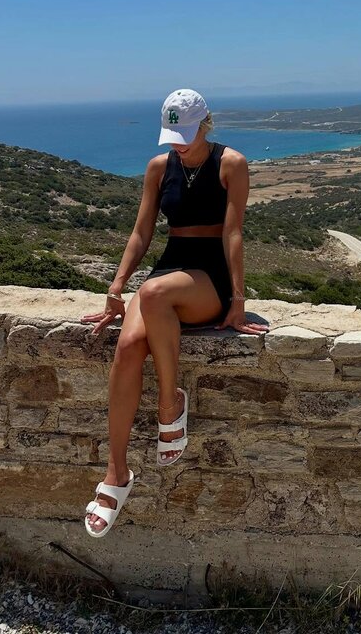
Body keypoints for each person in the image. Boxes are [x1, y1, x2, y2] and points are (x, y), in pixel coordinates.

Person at [81, 88, 269, 536]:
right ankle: (116, 473)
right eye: (173, 137)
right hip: (167, 274)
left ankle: (170, 405)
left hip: (210, 277)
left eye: (186, 134)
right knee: (128, 346)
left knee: (154, 293)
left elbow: (234, 233)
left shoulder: (231, 163)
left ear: (205, 124)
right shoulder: (158, 167)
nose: (179, 145)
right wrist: (115, 286)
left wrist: (238, 299)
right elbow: (142, 231)